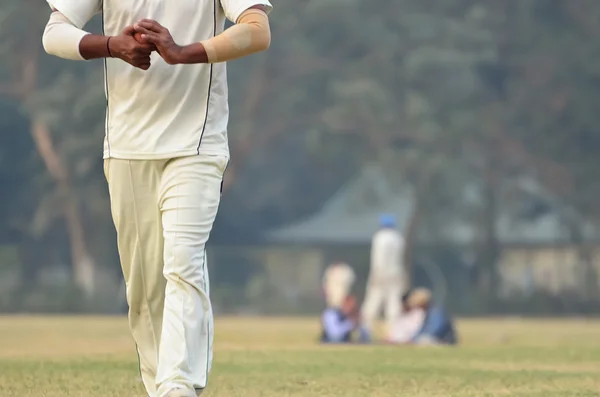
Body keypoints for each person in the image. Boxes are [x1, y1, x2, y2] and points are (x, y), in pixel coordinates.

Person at [42, 0, 272, 396]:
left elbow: (256, 29)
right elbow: (54, 33)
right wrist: (113, 45)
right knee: (145, 291)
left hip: (196, 146)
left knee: (183, 264)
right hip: (127, 147)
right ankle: (161, 386)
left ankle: (177, 385)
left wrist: (185, 53)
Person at [361, 214, 406, 340]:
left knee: (373, 302)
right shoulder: (398, 238)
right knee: (394, 304)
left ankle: (366, 330)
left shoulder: (379, 237)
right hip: (396, 273)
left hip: (380, 273)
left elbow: (378, 258)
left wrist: (376, 274)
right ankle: (393, 332)